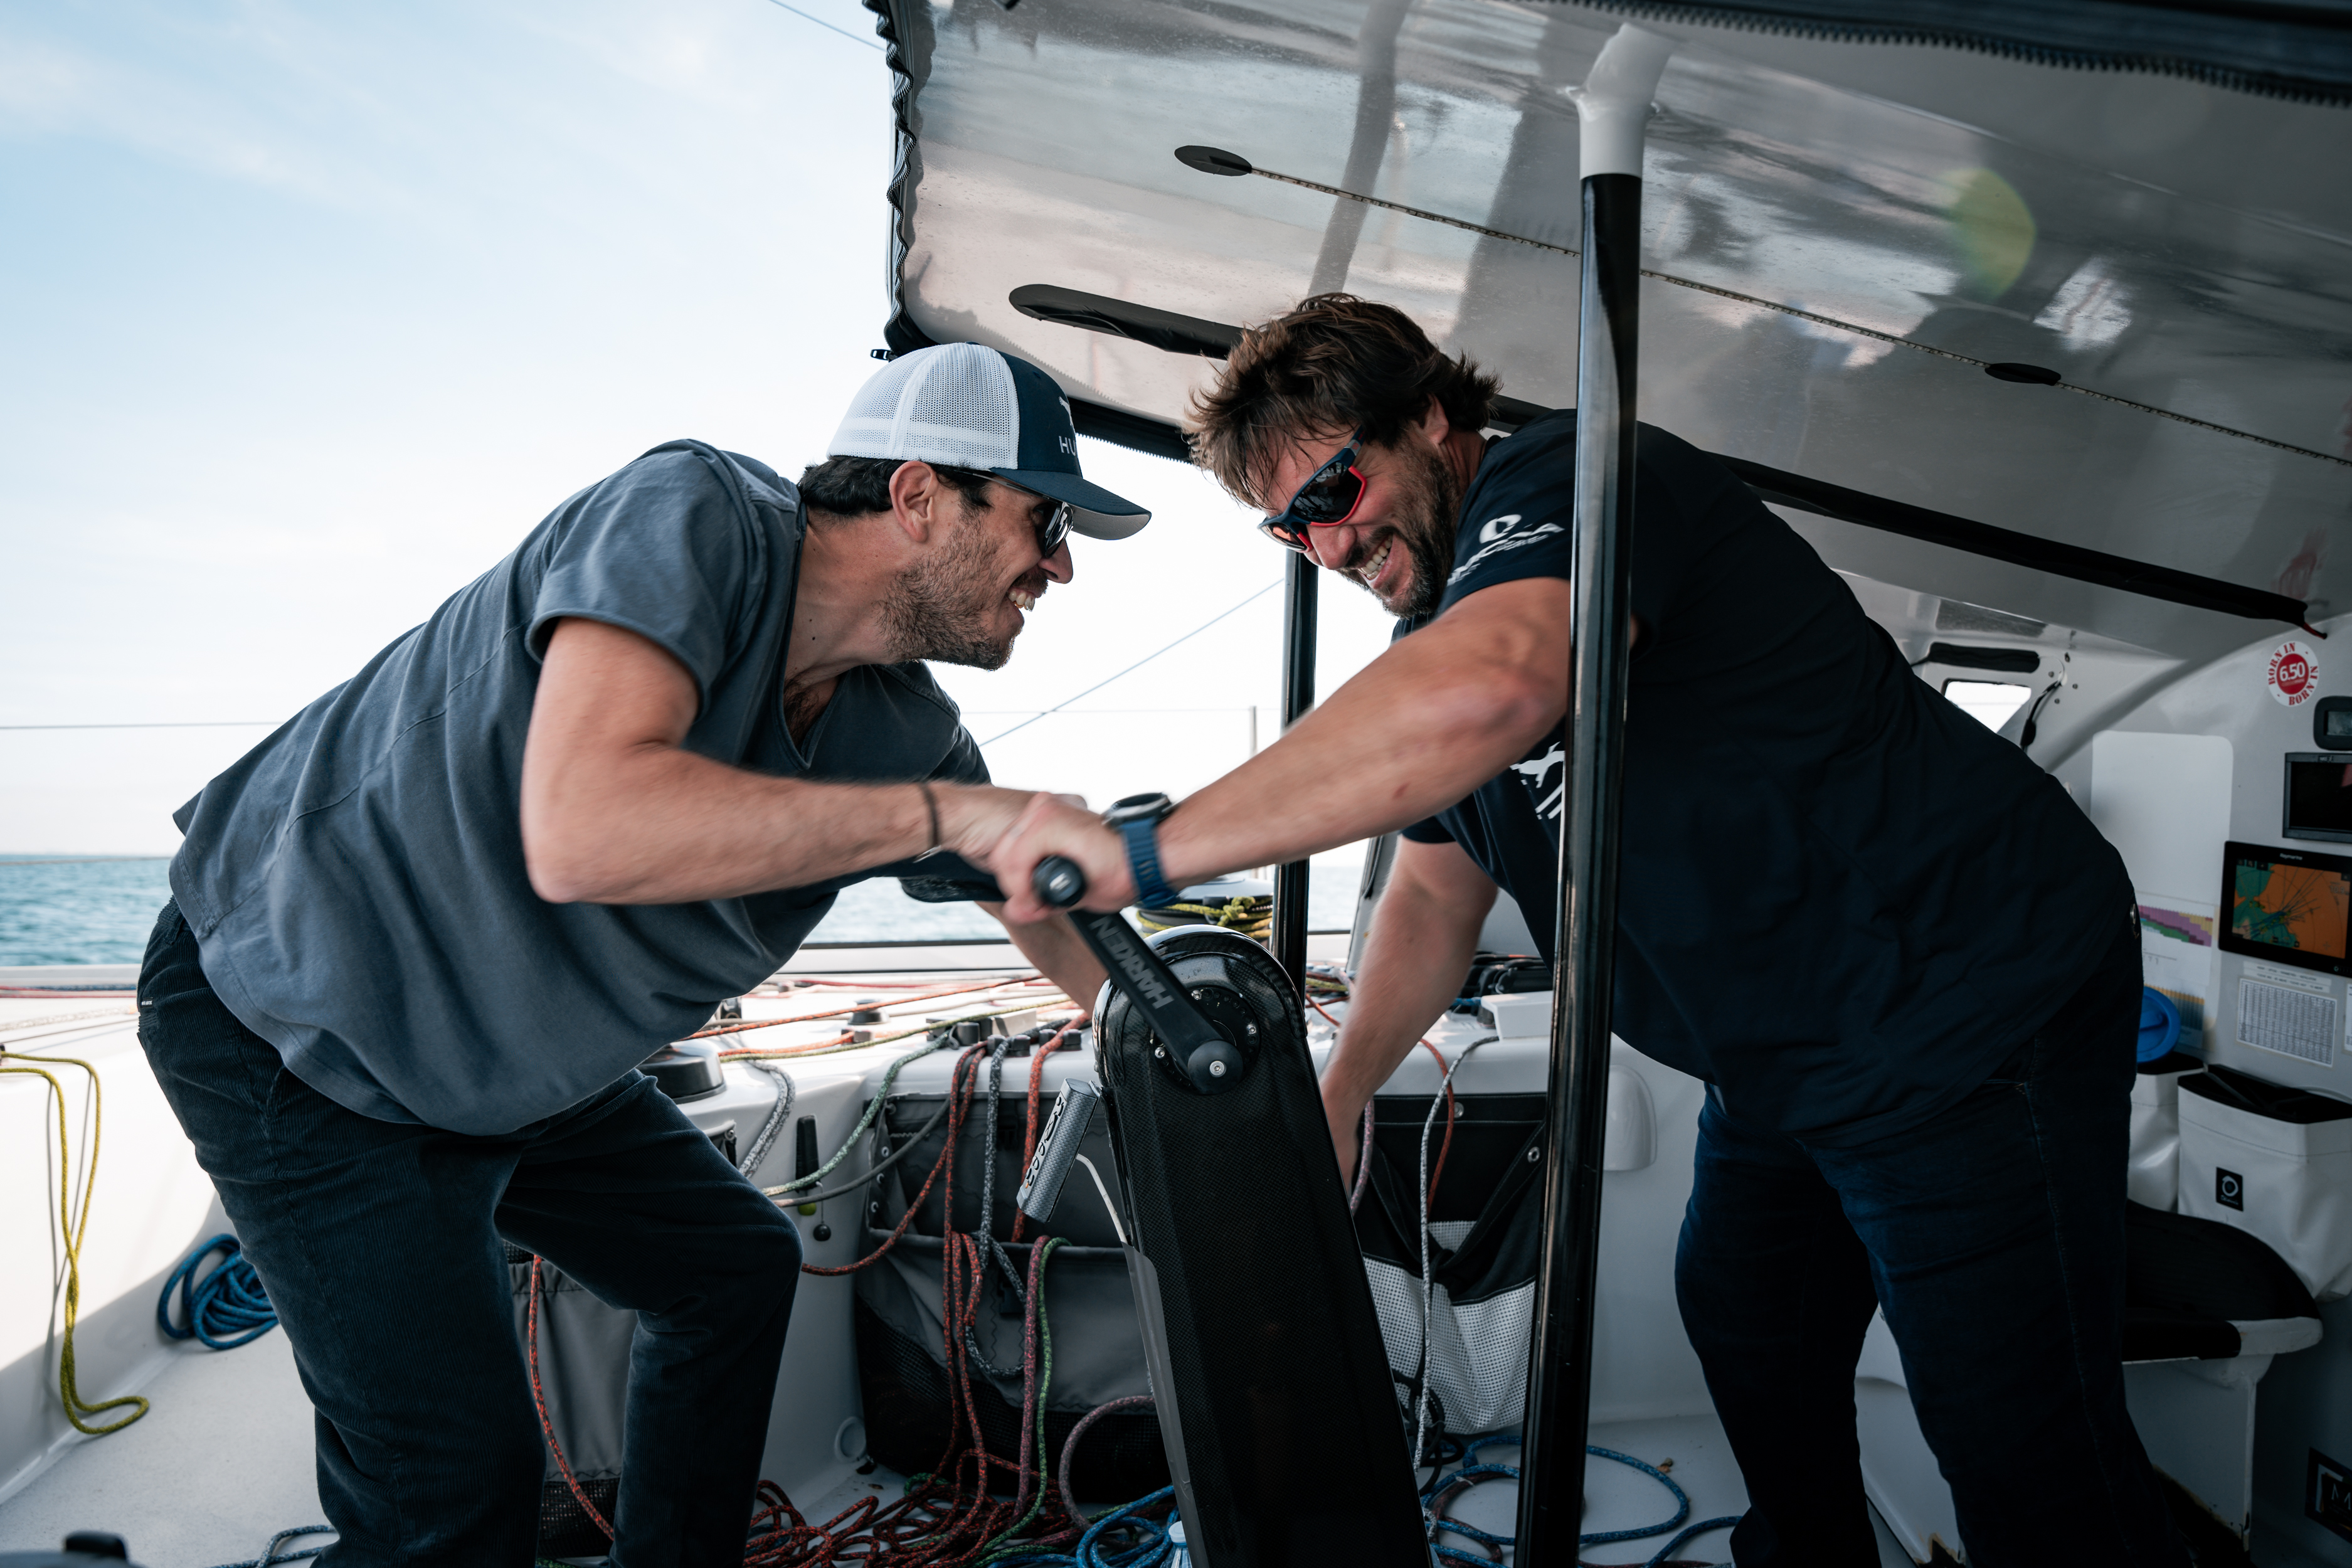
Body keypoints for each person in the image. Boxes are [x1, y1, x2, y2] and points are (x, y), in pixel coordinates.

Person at [988, 295, 2188, 1566]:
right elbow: (1435, 893)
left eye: (1335, 487)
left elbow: (1507, 681)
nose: (1325, 541)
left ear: (1437, 418)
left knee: (2021, 1443)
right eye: (1290, 524)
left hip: (1959, 1005)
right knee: (1748, 1315)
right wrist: (1344, 1089)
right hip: (1790, 1053)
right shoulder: (1435, 636)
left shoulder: (1579, 480)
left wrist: (1142, 851)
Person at [137, 342, 1132, 1567]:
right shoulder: (695, 512)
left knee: (732, 1271)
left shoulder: (903, 723)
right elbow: (587, 827)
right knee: (450, 1495)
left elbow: (1026, 889)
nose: (1062, 564)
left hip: (502, 1065)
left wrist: (1155, 1026)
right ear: (920, 494)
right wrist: (942, 815)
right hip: (304, 1016)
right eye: (1045, 520)